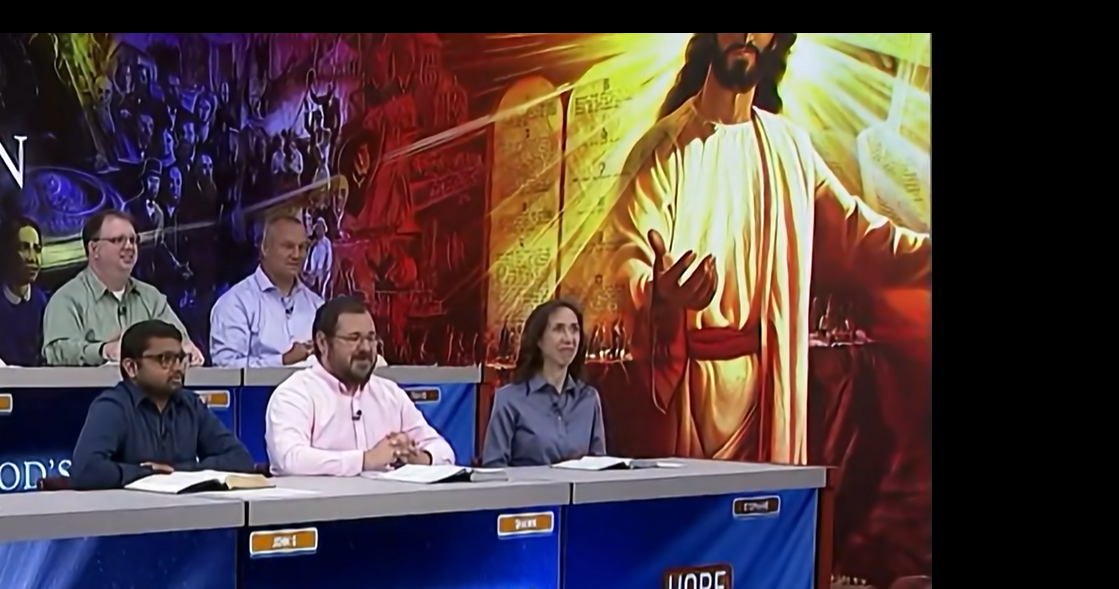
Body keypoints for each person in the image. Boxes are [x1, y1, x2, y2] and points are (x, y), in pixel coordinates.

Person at [598, 32, 930, 462]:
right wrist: (661, 292)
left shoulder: (788, 147)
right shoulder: (664, 148)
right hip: (694, 392)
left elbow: (861, 236)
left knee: (767, 500)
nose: (747, 36)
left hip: (772, 383)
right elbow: (629, 255)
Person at [265, 296, 454, 476]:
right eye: (353, 338)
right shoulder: (294, 394)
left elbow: (444, 452)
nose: (365, 348)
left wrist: (418, 458)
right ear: (323, 343)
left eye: (370, 338)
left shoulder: (390, 394)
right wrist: (364, 460)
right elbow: (290, 459)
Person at [69, 320, 255, 489]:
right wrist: (145, 473)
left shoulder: (190, 404)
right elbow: (86, 471)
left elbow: (241, 460)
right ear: (131, 367)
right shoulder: (112, 406)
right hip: (129, 511)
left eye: (180, 358)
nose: (178, 367)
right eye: (165, 359)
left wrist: (177, 471)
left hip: (185, 510)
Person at [40, 210, 201, 366]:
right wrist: (103, 351)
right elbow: (56, 351)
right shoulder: (67, 299)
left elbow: (181, 340)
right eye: (118, 240)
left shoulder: (151, 298)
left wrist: (186, 350)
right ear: (94, 249)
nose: (129, 246)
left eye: (133, 240)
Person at [481, 297, 608, 465]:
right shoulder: (509, 400)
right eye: (558, 329)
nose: (569, 338)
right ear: (539, 340)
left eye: (574, 329)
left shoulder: (589, 400)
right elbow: (494, 467)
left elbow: (598, 467)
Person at [206, 210, 316, 366]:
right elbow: (226, 367)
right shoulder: (236, 303)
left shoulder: (317, 306)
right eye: (288, 246)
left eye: (302, 247)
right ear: (265, 248)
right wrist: (282, 361)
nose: (297, 255)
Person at [0, 216, 49, 367]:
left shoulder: (43, 303)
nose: (32, 258)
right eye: (24, 248)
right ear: (7, 253)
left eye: (37, 249)